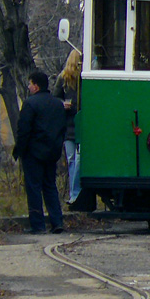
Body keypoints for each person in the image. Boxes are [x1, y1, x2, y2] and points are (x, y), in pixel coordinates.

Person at [12, 70, 66, 234]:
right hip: (52, 152)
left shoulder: (30, 104)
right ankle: (57, 222)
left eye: (30, 84)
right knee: (50, 186)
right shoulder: (57, 104)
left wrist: (19, 150)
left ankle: (38, 225)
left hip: (33, 153)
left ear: (35, 85)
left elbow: (24, 130)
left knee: (34, 187)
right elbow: (62, 128)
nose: (28, 87)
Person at [53, 50, 82, 205]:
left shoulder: (85, 78)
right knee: (71, 159)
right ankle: (74, 193)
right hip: (69, 124)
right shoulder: (63, 78)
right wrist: (62, 104)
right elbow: (55, 97)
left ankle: (77, 192)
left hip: (82, 123)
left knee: (79, 159)